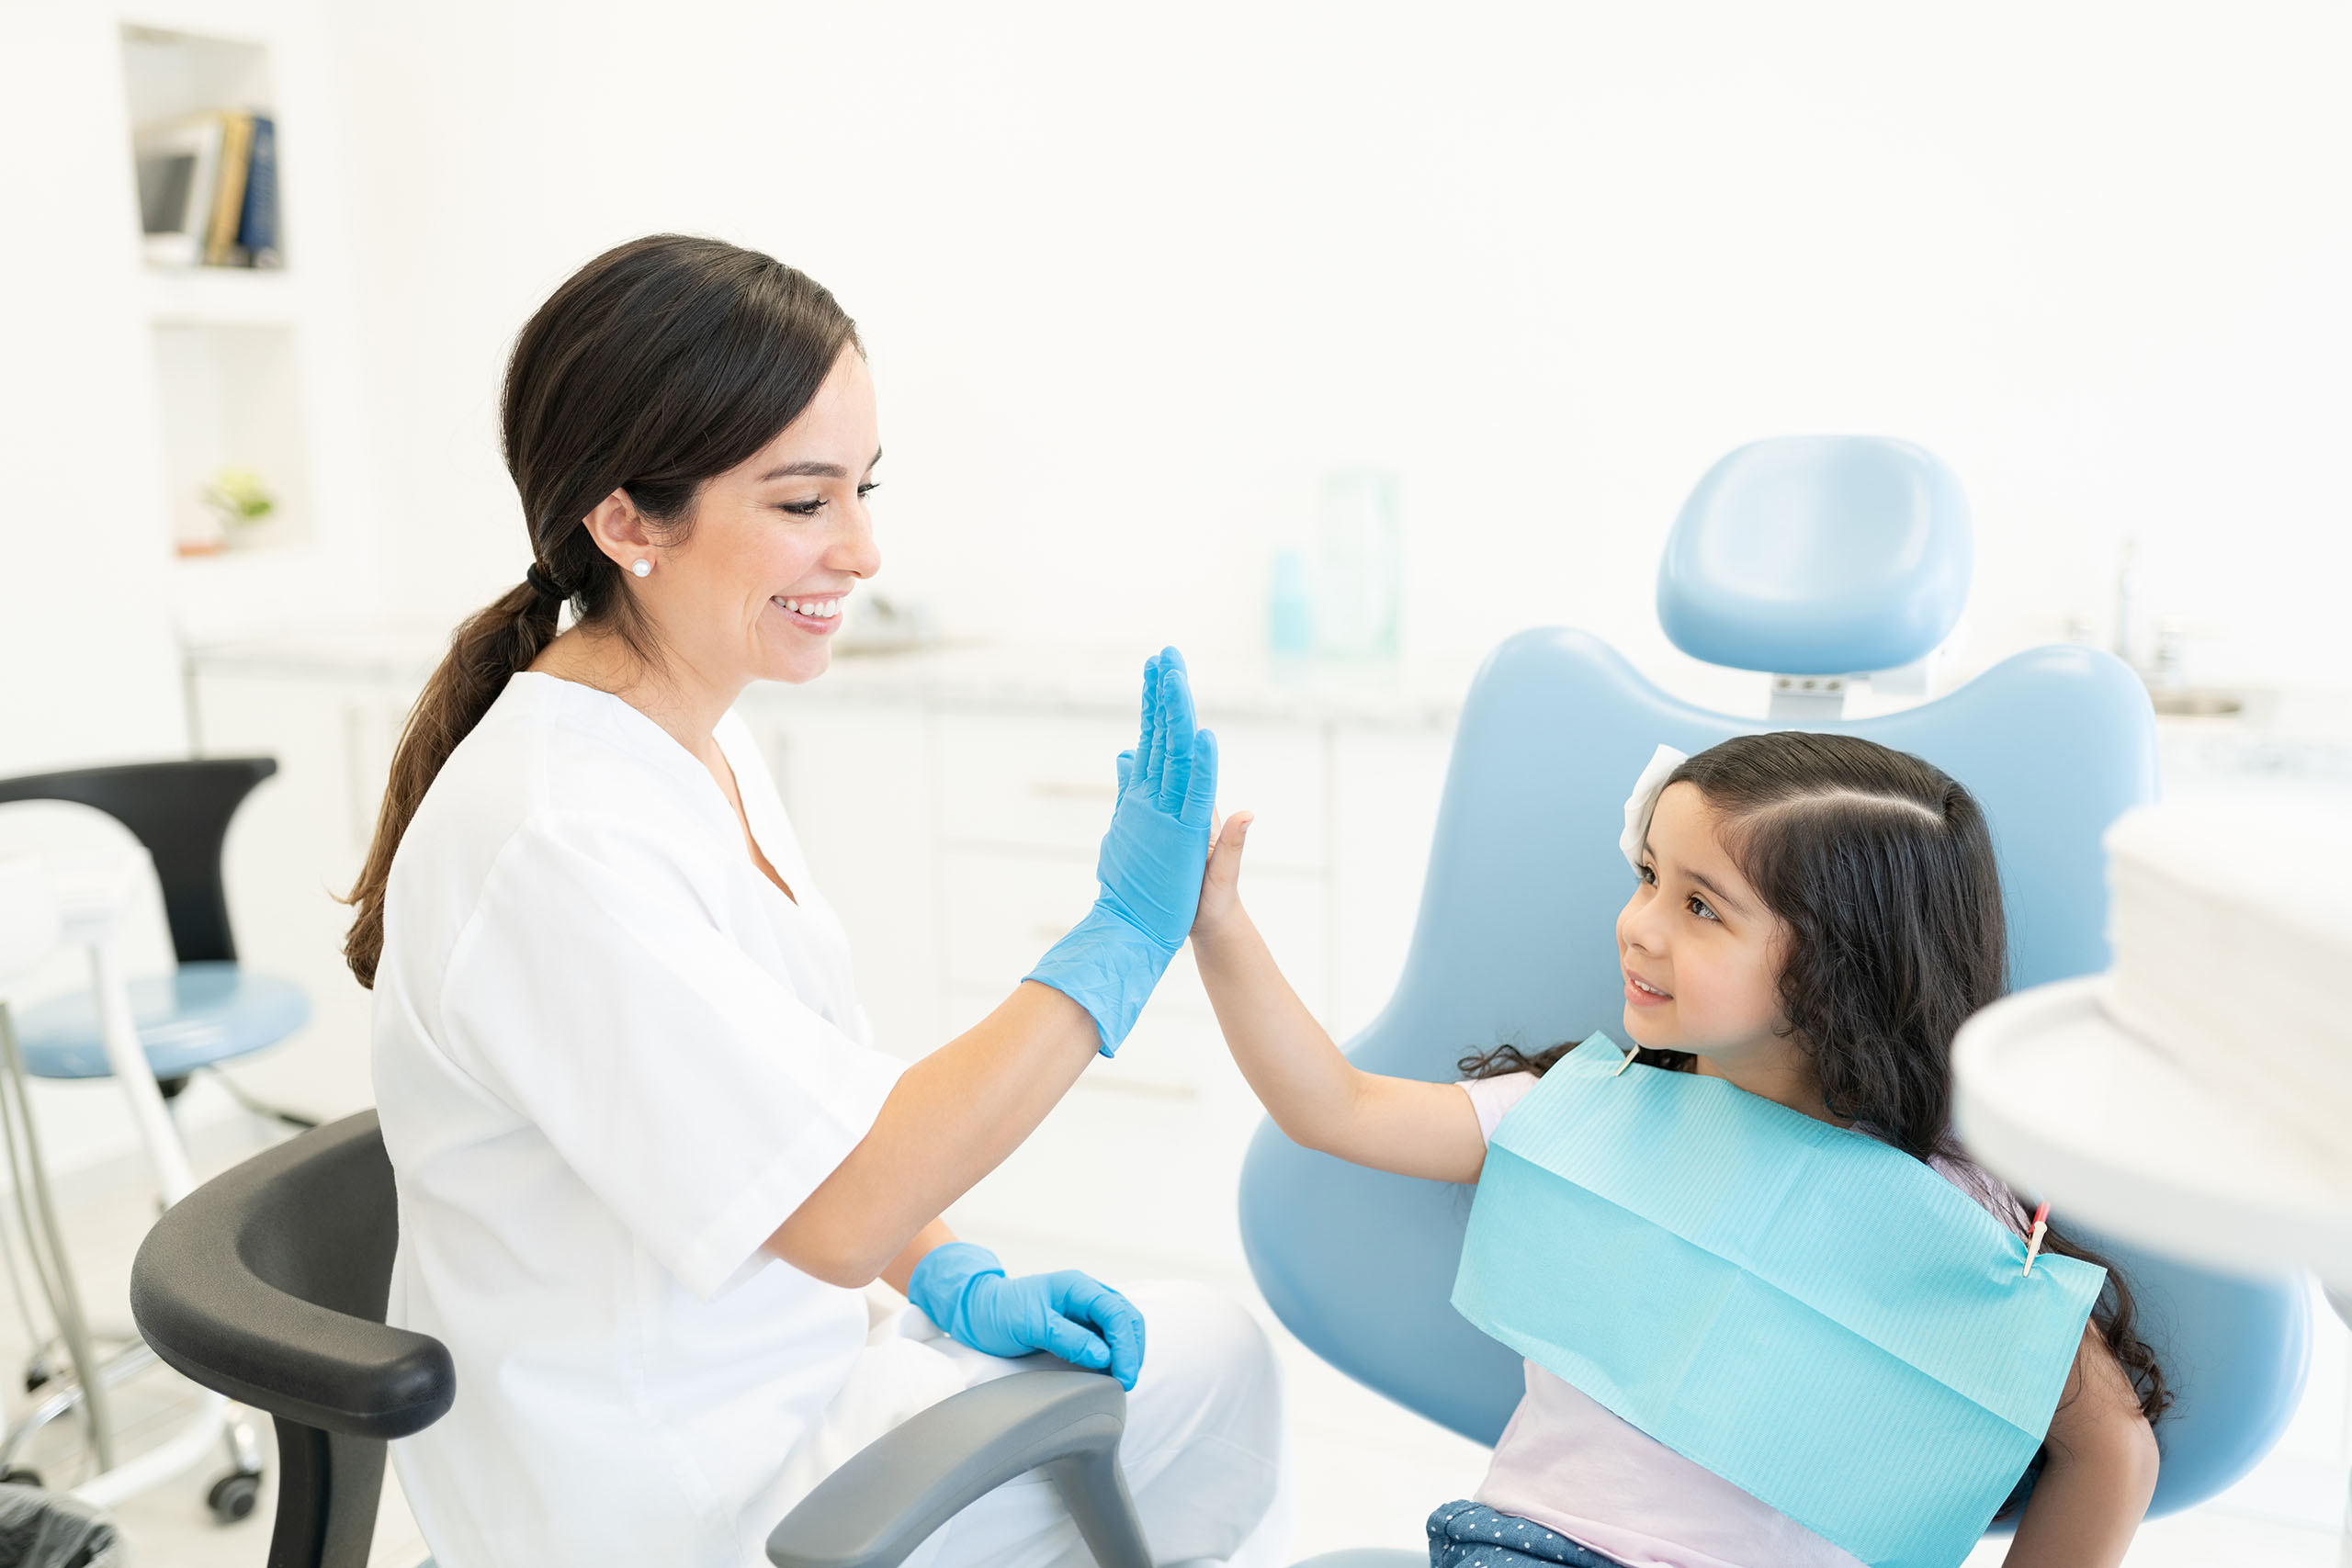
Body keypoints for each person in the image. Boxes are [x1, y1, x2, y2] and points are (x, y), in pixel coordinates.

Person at [341, 235, 1287, 1568]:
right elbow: (839, 1198)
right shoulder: (561, 836)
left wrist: (955, 1272)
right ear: (627, 521)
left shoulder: (681, 736)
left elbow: (792, 1125)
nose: (862, 547)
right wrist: (1121, 940)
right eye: (803, 502)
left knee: (1205, 1357)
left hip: (781, 1398)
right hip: (684, 1505)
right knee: (1210, 1369)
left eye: (864, 487)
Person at [1191, 730, 2167, 1568]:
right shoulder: (1586, 1111)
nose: (1637, 927)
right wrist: (1218, 924)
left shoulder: (1946, 1206)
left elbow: (2110, 1444)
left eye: (1700, 907)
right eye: (1648, 876)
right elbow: (1336, 1106)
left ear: (1839, 966)